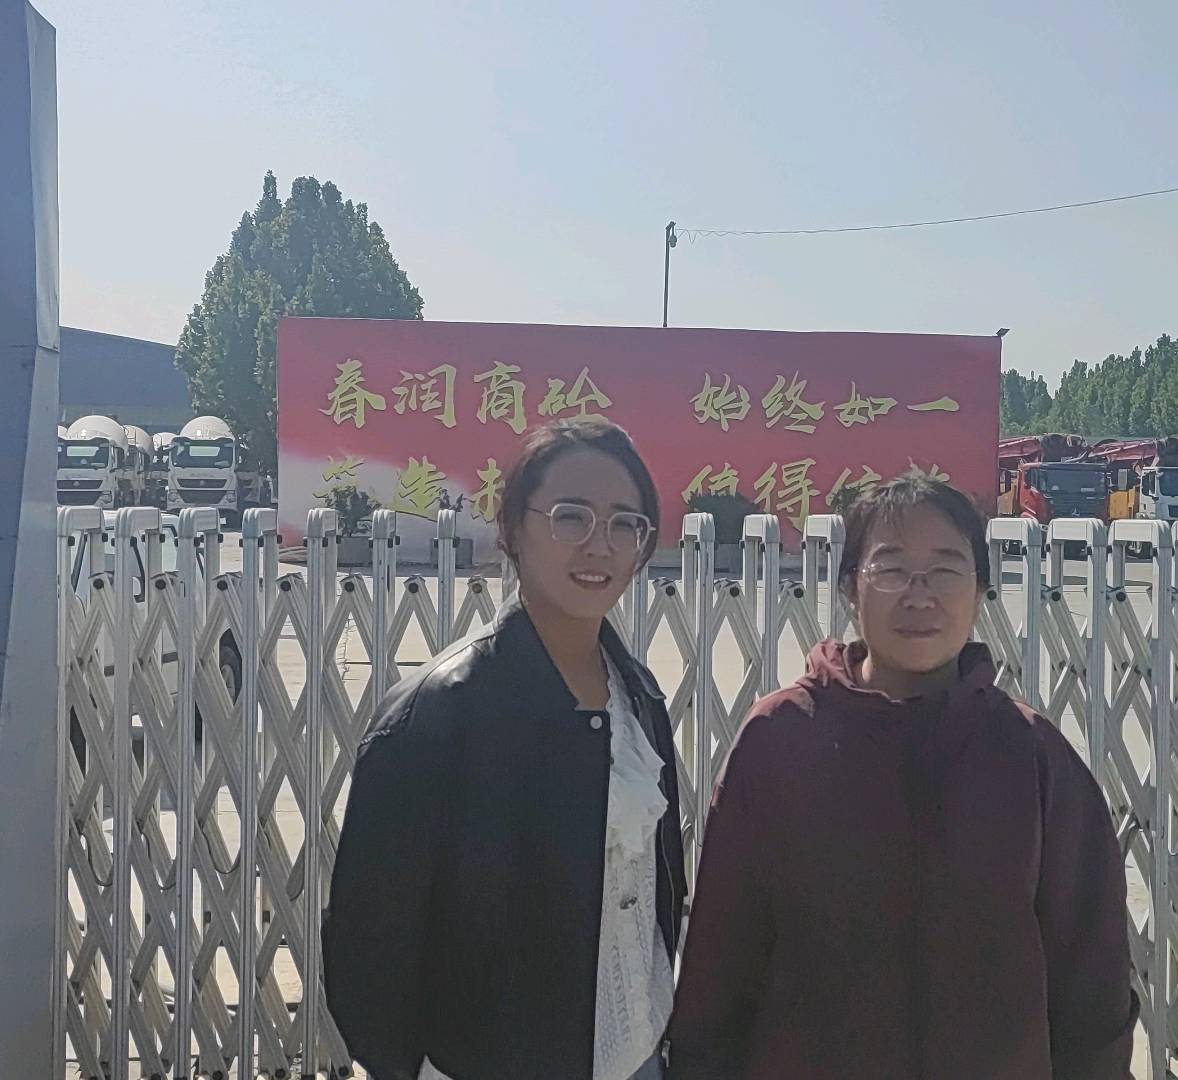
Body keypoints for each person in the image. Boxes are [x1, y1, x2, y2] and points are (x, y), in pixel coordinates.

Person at [665, 474, 1137, 1079]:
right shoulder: (782, 737)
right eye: (891, 569)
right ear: (849, 588)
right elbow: (721, 956)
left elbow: (1091, 975)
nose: (920, 595)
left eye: (945, 570)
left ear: (980, 589)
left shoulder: (1030, 754)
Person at [324, 417, 686, 1080]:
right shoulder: (438, 715)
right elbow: (368, 945)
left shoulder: (639, 697)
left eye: (625, 523)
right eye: (571, 517)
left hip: (637, 1055)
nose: (599, 545)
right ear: (515, 527)